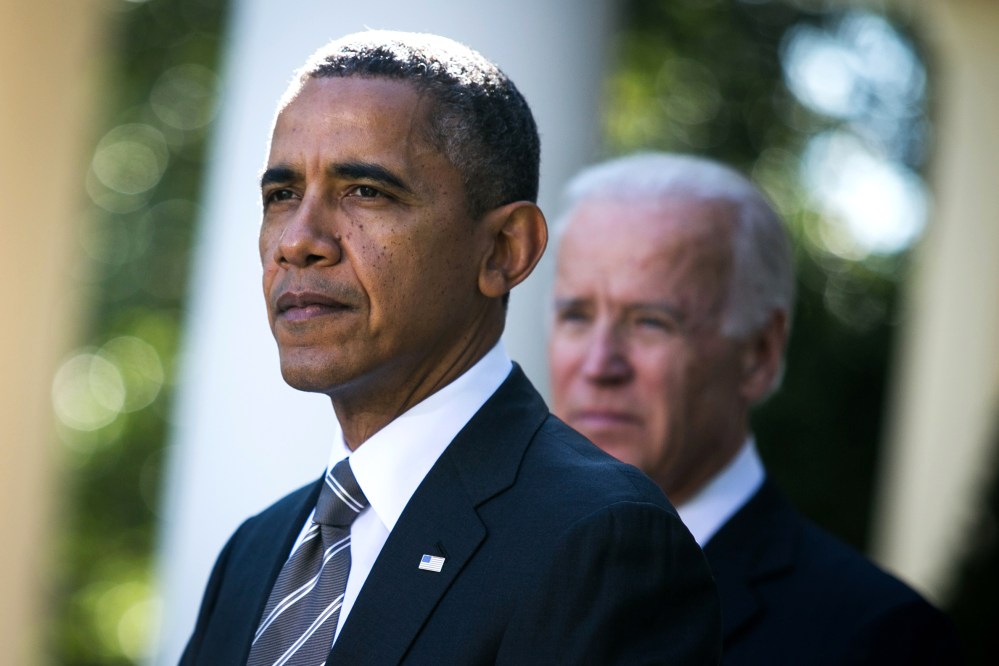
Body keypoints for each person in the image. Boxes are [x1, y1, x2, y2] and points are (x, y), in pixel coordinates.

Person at [180, 33, 721, 665]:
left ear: (504, 250)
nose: (298, 241)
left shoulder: (599, 540)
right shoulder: (255, 550)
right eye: (282, 195)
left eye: (366, 191)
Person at [549, 152, 962, 665]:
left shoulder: (882, 641)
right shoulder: (486, 565)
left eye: (650, 321)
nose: (598, 365)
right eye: (576, 315)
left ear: (759, 354)